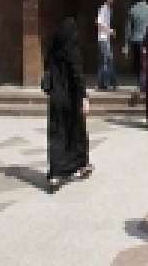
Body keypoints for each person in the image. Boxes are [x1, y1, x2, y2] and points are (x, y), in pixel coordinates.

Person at [43, 17, 93, 191]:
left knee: (58, 134)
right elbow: (77, 75)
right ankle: (81, 165)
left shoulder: (52, 51)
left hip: (56, 98)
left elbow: (47, 70)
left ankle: (55, 174)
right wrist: (84, 97)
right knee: (76, 132)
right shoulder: (72, 50)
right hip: (71, 99)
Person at [123, 0, 148, 89]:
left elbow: (128, 28)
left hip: (136, 40)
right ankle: (145, 83)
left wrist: (126, 43)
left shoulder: (132, 9)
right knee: (146, 62)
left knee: (138, 63)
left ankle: (140, 82)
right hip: (147, 40)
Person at [96, 0, 117, 91]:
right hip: (103, 39)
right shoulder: (103, 9)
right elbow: (99, 24)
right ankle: (106, 83)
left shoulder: (108, 10)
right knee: (106, 61)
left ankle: (107, 82)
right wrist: (110, 31)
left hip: (106, 39)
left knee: (107, 61)